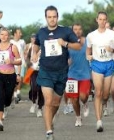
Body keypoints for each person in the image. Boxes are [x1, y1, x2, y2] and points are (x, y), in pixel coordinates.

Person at [31, 5, 81, 140]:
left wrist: (64, 43)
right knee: (48, 101)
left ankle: (50, 122)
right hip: (45, 71)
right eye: (49, 17)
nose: (52, 19)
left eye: (54, 17)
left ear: (57, 17)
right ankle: (49, 132)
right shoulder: (41, 32)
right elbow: (36, 44)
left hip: (61, 72)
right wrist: (34, 53)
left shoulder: (65, 31)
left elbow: (77, 45)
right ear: (46, 18)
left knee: (56, 103)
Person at [86, 11, 114, 132]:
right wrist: (88, 56)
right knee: (98, 92)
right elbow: (88, 50)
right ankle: (99, 121)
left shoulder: (113, 34)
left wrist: (112, 49)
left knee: (105, 94)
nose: (102, 21)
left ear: (106, 21)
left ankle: (105, 103)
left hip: (109, 64)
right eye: (100, 19)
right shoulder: (91, 35)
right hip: (97, 64)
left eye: (104, 19)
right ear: (97, 20)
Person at [0, 27, 21, 131]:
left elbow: (19, 61)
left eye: (6, 35)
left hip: (10, 75)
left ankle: (6, 106)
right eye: (2, 35)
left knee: (7, 98)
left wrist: (12, 62)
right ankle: (0, 121)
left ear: (9, 36)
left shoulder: (13, 47)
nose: (4, 37)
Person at [65, 23, 91, 127]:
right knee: (74, 99)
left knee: (83, 96)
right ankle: (78, 117)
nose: (77, 31)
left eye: (79, 29)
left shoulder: (87, 41)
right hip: (71, 74)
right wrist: (66, 61)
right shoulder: (68, 44)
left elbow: (93, 52)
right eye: (75, 29)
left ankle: (85, 104)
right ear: (72, 31)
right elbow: (64, 57)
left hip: (85, 74)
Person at [25, 33, 44, 117]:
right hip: (33, 71)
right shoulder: (31, 48)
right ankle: (33, 102)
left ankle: (40, 108)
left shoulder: (44, 48)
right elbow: (27, 59)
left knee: (41, 90)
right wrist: (30, 64)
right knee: (34, 87)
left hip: (42, 71)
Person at [10, 28, 26, 104]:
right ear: (15, 34)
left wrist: (25, 60)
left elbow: (25, 51)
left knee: (20, 79)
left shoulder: (22, 42)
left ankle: (18, 92)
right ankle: (15, 95)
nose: (21, 34)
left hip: (21, 63)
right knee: (13, 80)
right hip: (13, 64)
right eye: (19, 33)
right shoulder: (10, 42)